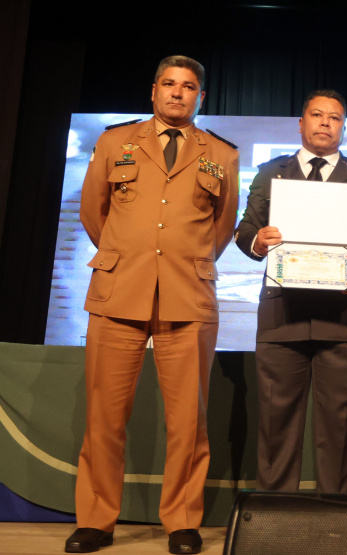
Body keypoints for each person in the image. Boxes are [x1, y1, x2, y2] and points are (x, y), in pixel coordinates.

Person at [68, 55, 239, 554]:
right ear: (153, 91)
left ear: (200, 97)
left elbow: (221, 228)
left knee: (188, 420)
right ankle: (96, 520)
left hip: (187, 296)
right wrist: (131, 255)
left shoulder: (221, 155)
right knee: (104, 415)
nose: (177, 93)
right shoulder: (114, 141)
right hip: (120, 292)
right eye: (169, 84)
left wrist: (178, 263)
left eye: (188, 87)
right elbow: (93, 213)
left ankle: (182, 520)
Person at [234, 90, 347, 493]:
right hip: (282, 317)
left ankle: (335, 526)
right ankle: (275, 527)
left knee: (338, 431)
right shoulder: (273, 172)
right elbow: (245, 229)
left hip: (342, 317)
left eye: (335, 117)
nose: (325, 122)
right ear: (300, 122)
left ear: (343, 127)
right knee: (276, 428)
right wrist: (259, 240)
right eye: (317, 115)